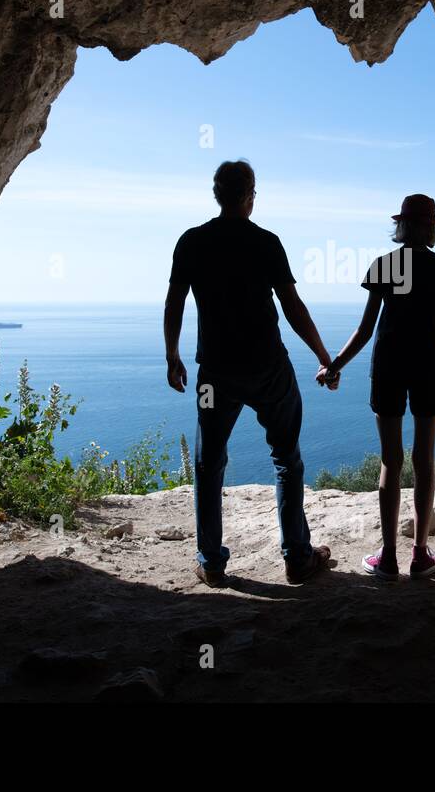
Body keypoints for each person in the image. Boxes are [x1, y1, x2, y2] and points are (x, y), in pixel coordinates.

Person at [164, 160, 333, 587]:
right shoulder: (266, 242)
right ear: (249, 195)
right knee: (286, 459)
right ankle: (297, 557)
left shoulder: (192, 242)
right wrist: (322, 354)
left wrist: (172, 356)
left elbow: (175, 303)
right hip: (268, 368)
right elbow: (292, 307)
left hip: (214, 372)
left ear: (217, 194)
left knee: (208, 463)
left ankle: (212, 563)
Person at [318, 194, 435, 580]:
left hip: (389, 369)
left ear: (401, 227)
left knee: (390, 462)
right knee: (424, 461)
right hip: (429, 369)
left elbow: (365, 330)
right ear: (432, 228)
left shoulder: (386, 266)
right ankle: (420, 554)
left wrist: (334, 365)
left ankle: (389, 557)